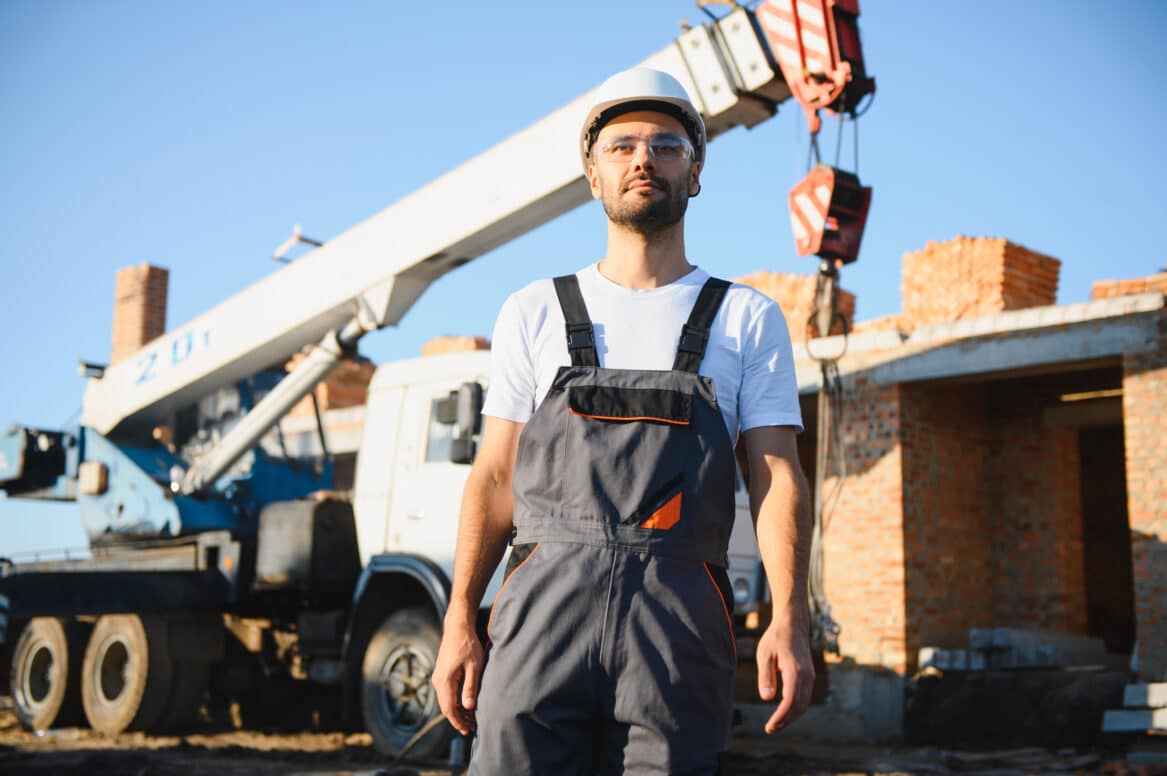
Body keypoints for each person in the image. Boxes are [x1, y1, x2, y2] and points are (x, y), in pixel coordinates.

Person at [432, 67, 814, 774]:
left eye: (667, 146)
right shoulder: (535, 309)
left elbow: (775, 475)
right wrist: (460, 617)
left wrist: (789, 616)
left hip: (678, 617)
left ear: (694, 175)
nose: (644, 158)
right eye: (622, 145)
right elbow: (491, 478)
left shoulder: (744, 317)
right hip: (541, 609)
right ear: (592, 175)